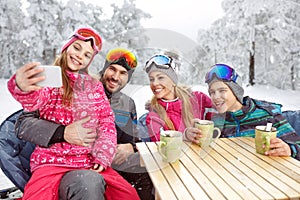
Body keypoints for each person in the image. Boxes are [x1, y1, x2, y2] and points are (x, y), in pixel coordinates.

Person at [7, 28, 139, 200]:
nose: (79, 56)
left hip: (88, 161)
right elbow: (35, 101)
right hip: (51, 162)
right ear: (66, 46)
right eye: (76, 48)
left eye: (86, 55)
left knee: (128, 195)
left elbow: (106, 121)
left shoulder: (94, 87)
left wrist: (103, 153)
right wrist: (22, 87)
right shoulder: (50, 79)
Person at [203, 63, 300, 160]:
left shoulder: (267, 114)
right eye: (212, 92)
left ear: (236, 91)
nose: (215, 97)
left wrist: (290, 150)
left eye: (222, 90)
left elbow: (297, 146)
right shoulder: (217, 121)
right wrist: (190, 135)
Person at [144, 53, 213, 143]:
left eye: (160, 78)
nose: (154, 83)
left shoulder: (197, 98)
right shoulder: (154, 116)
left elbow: (224, 108)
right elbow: (159, 145)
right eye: (151, 79)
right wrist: (184, 136)